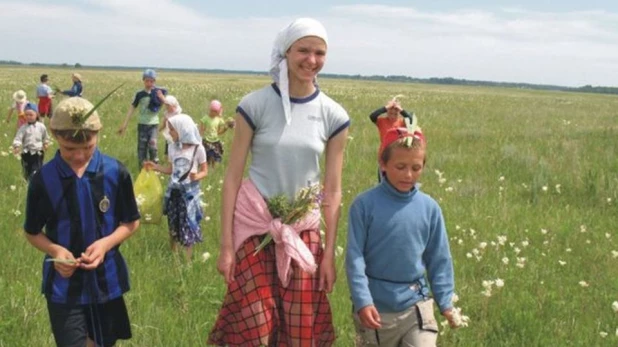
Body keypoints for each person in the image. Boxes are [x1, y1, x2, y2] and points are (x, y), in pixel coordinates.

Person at [208, 18, 350, 346]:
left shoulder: (334, 115)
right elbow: (232, 180)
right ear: (285, 51)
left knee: (299, 330)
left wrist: (328, 254)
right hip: (254, 230)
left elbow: (333, 190)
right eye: (303, 50)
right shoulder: (254, 106)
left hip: (303, 235)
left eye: (319, 53)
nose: (311, 60)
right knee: (253, 327)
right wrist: (227, 247)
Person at [23, 97, 141, 347]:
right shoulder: (43, 180)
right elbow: (32, 232)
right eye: (68, 149)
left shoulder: (115, 172)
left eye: (88, 147)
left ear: (98, 134)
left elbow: (131, 222)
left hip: (106, 282)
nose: (78, 156)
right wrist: (55, 250)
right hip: (64, 288)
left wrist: (105, 244)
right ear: (54, 135)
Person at [346, 127, 458, 347]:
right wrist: (363, 301)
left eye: (416, 168)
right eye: (400, 167)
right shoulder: (364, 205)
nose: (408, 175)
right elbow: (354, 258)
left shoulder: (430, 208)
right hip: (376, 310)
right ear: (383, 165)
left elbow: (439, 258)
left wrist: (446, 303)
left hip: (416, 306)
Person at [144, 114, 208, 260]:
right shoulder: (173, 148)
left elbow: (204, 171)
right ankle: (174, 257)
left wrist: (197, 176)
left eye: (172, 130)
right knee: (173, 224)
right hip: (174, 193)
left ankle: (187, 259)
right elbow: (170, 169)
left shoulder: (198, 149)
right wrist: (156, 167)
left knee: (188, 223)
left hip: (189, 195)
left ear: (183, 129)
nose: (170, 133)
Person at [117, 69, 167, 168]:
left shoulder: (158, 93)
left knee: (153, 146)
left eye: (151, 81)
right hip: (142, 125)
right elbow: (132, 108)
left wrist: (161, 97)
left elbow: (169, 105)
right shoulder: (139, 94)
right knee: (141, 148)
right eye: (147, 81)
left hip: (153, 125)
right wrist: (124, 124)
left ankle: (155, 169)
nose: (149, 83)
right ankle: (142, 171)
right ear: (143, 80)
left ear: (154, 81)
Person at [369, 96, 414, 181]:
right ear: (387, 112)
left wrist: (401, 109)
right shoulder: (382, 121)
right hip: (384, 155)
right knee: (383, 181)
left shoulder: (402, 122)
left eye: (395, 113)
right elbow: (372, 116)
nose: (392, 116)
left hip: (399, 155)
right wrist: (386, 107)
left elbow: (411, 120)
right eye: (390, 113)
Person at [12, 103, 50, 180]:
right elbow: (18, 138)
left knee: (36, 170)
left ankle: (35, 182)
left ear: (36, 115)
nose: (28, 117)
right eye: (26, 115)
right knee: (26, 170)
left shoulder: (41, 126)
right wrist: (17, 146)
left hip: (38, 152)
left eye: (31, 115)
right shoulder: (23, 128)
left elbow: (45, 136)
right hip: (26, 153)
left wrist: (45, 143)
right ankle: (27, 182)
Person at [200, 99, 232, 168]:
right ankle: (206, 166)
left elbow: (220, 131)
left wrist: (227, 126)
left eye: (218, 112)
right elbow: (201, 128)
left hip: (215, 140)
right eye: (216, 112)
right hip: (207, 140)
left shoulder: (219, 119)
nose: (217, 113)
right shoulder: (205, 118)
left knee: (215, 154)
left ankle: (213, 167)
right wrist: (201, 135)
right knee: (207, 154)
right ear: (211, 110)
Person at [159, 94, 183, 159]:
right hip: (169, 135)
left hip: (177, 135)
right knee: (167, 151)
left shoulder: (177, 112)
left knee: (177, 150)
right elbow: (164, 124)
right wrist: (158, 130)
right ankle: (167, 161)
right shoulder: (166, 113)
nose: (167, 107)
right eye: (166, 105)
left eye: (168, 106)